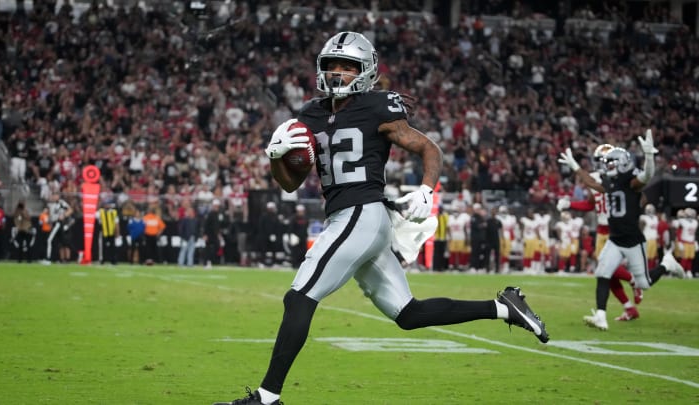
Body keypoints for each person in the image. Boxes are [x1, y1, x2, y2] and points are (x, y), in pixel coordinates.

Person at [215, 31, 549, 405]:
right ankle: (505, 307)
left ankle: (267, 397)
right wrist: (277, 158)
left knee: (299, 298)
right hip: (349, 218)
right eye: (332, 66)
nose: (338, 73)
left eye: (347, 67)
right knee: (408, 313)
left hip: (361, 213)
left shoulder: (377, 106)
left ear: (366, 71)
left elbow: (428, 147)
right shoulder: (310, 113)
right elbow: (290, 184)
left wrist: (426, 189)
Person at [558, 130, 686, 330]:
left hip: (633, 240)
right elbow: (591, 183)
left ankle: (666, 265)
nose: (607, 166)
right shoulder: (610, 182)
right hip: (614, 240)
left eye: (611, 163)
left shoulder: (632, 182)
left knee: (644, 283)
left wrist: (649, 156)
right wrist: (575, 166)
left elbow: (648, 175)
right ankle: (601, 316)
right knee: (602, 273)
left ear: (622, 163)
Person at [557, 143, 644, 320]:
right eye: (603, 160)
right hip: (602, 229)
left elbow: (642, 198)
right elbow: (591, 203)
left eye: (609, 160)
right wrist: (570, 204)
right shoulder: (597, 178)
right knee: (605, 273)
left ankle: (633, 280)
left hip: (617, 228)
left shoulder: (623, 177)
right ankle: (629, 308)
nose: (607, 163)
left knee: (605, 270)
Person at [41, 193, 72, 265]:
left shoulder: (61, 203)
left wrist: (63, 215)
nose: (53, 197)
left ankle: (48, 258)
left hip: (58, 223)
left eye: (55, 195)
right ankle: (61, 259)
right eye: (53, 195)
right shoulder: (50, 204)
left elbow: (70, 210)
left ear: (58, 196)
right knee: (60, 242)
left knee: (49, 240)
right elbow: (50, 214)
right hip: (53, 223)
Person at [203, 199, 227, 269]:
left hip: (215, 235)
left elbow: (219, 225)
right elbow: (206, 225)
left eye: (217, 206)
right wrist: (205, 234)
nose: (216, 208)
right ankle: (207, 262)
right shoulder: (210, 214)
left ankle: (211, 261)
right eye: (215, 206)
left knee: (216, 248)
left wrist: (219, 234)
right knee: (208, 249)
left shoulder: (219, 214)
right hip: (209, 234)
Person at [97, 199, 120, 265]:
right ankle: (102, 260)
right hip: (103, 232)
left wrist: (117, 232)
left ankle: (113, 260)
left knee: (112, 247)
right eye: (106, 204)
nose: (107, 205)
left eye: (108, 204)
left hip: (111, 232)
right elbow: (94, 216)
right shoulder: (100, 212)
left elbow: (116, 223)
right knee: (103, 247)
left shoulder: (114, 212)